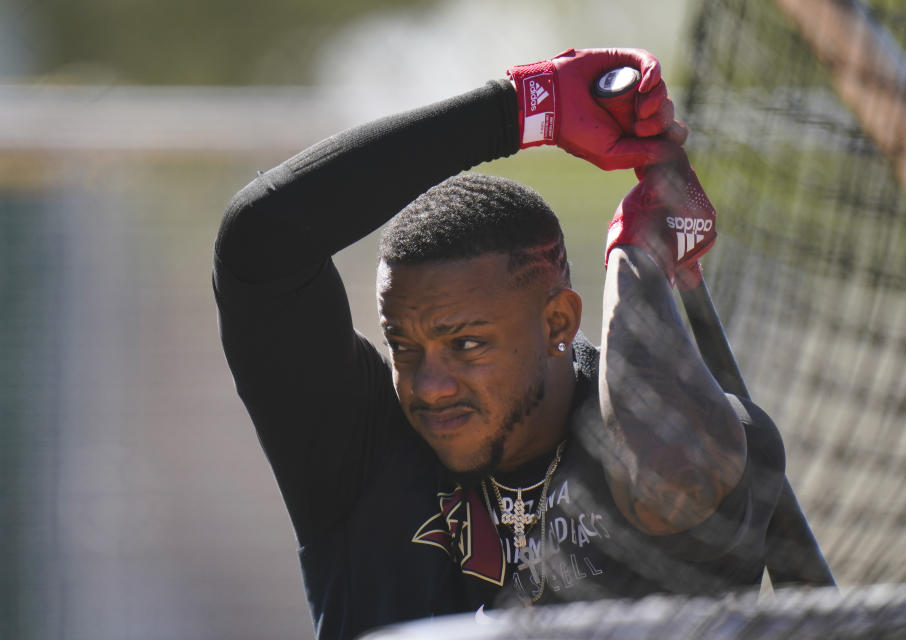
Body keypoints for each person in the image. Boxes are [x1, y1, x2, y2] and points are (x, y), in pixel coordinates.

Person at [213, 48, 785, 640]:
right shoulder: (364, 452)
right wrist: (524, 109)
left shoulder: (706, 436)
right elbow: (262, 242)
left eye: (465, 345)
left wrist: (641, 254)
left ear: (558, 323)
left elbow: (671, 473)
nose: (427, 387)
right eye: (403, 347)